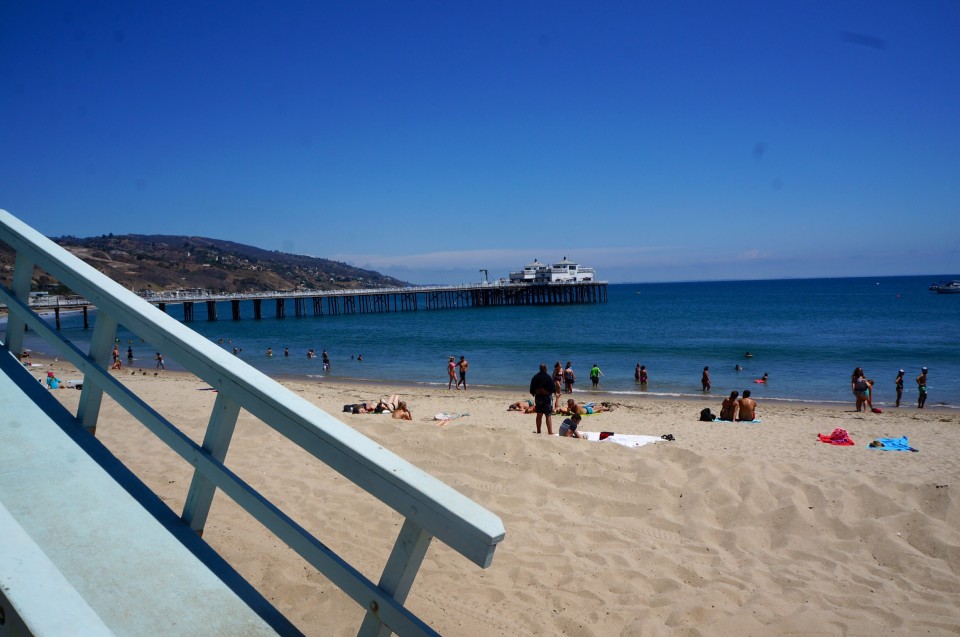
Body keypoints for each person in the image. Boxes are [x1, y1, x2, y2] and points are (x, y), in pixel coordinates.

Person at [529, 363, 555, 434]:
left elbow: (531, 390)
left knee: (539, 414)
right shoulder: (548, 377)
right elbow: (553, 389)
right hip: (546, 397)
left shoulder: (535, 377)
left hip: (538, 397)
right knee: (548, 415)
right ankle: (550, 432)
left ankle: (538, 431)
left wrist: (537, 391)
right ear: (545, 369)